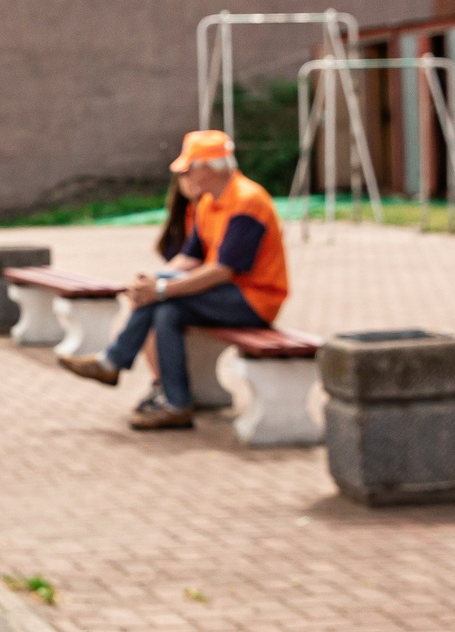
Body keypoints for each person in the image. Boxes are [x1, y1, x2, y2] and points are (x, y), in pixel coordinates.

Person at [60, 129, 289, 428]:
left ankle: (118, 365)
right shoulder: (208, 202)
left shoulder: (247, 202)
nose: (183, 176)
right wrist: (153, 283)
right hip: (228, 294)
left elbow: (222, 270)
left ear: (208, 168)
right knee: (166, 309)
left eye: (188, 168)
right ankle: (172, 401)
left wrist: (163, 288)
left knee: (166, 303)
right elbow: (191, 258)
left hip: (255, 301)